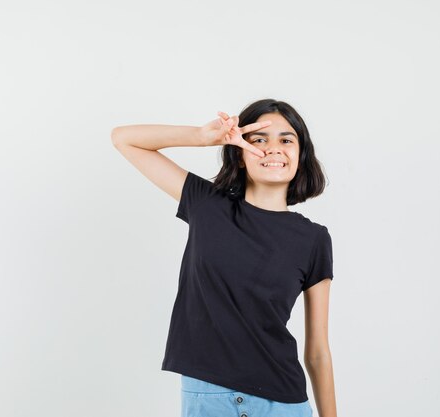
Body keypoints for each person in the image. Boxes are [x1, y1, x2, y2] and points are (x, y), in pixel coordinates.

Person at [111, 98, 336, 417]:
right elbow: (124, 138)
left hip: (284, 404)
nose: (273, 148)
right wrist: (203, 137)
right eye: (259, 139)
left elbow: (318, 352)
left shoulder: (314, 239)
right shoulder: (206, 205)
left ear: (300, 156)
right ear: (241, 155)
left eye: (286, 140)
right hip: (210, 397)